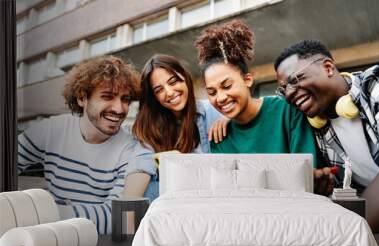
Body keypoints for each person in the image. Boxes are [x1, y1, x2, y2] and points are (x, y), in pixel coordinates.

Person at [274, 39, 379, 232]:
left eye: (294, 80)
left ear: (328, 67)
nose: (289, 93)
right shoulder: (318, 124)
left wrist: (342, 233)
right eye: (284, 90)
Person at [18, 56, 141, 234]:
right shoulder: (53, 130)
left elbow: (119, 218)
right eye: (107, 97)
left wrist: (41, 214)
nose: (119, 109)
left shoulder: (131, 148)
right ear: (82, 98)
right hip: (50, 239)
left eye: (125, 99)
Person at [194, 20, 317, 165]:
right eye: (212, 92)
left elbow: (307, 172)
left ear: (247, 80)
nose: (220, 98)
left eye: (227, 86)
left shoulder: (287, 111)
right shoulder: (219, 136)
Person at [125, 54, 226, 200]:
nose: (169, 92)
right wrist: (126, 213)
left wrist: (230, 117)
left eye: (173, 82)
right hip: (175, 205)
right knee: (148, 189)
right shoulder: (151, 127)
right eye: (159, 90)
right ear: (154, 98)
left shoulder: (211, 111)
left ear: (184, 77)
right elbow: (141, 164)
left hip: (212, 198)